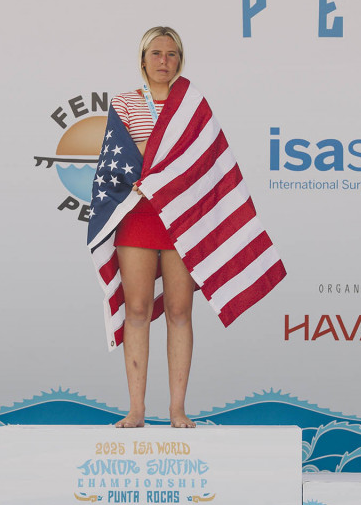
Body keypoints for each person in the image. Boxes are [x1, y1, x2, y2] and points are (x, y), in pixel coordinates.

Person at [86, 27, 285, 428]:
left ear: (180, 59)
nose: (164, 61)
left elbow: (206, 161)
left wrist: (159, 164)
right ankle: (136, 410)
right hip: (138, 216)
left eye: (172, 54)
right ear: (143, 59)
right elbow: (119, 160)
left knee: (180, 310)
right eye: (156, 53)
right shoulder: (124, 103)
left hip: (184, 218)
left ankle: (177, 409)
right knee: (137, 309)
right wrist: (163, 164)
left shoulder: (193, 104)